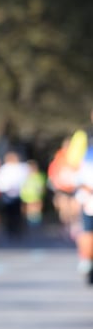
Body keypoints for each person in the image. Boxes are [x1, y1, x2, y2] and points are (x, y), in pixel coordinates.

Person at [66, 107, 93, 283]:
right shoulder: (83, 136)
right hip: (88, 192)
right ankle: (87, 261)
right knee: (88, 229)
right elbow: (72, 163)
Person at [0, 148, 30, 240]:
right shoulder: (4, 169)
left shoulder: (22, 168)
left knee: (18, 214)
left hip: (19, 194)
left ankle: (18, 230)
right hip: (7, 195)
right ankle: (10, 230)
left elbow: (26, 180)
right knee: (8, 214)